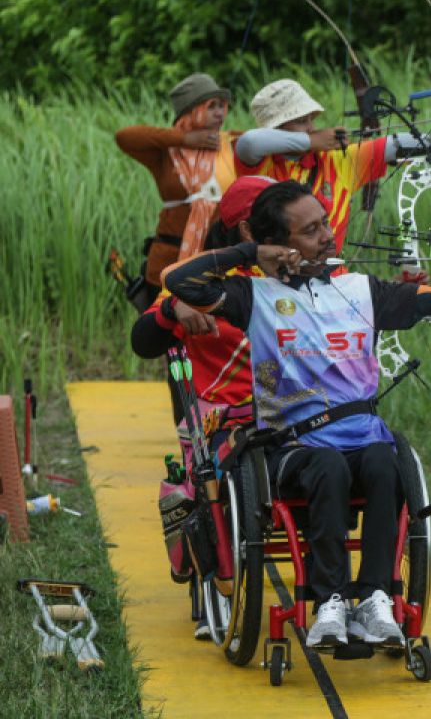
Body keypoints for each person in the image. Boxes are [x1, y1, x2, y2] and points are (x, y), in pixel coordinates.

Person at [163, 180, 431, 650]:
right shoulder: (254, 297)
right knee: (329, 466)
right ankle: (329, 600)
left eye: (324, 223)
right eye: (310, 231)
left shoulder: (360, 290)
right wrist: (251, 251)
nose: (327, 236)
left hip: (362, 437)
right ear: (281, 243)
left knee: (383, 460)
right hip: (293, 448)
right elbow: (180, 282)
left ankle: (375, 597)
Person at [130, 175, 273, 639]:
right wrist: (171, 310)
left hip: (290, 415)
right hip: (221, 421)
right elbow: (143, 339)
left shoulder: (304, 275)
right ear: (249, 231)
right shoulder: (199, 280)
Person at [235, 78, 431, 253]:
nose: (310, 127)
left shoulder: (337, 159)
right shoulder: (259, 164)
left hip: (328, 277)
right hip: (268, 277)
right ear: (275, 128)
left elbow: (392, 145)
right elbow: (249, 142)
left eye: (311, 120)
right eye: (300, 121)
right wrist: (311, 141)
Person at [116, 73, 243, 289]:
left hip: (220, 259)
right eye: (211, 106)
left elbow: (265, 142)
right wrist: (185, 139)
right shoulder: (167, 151)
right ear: (192, 111)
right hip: (171, 258)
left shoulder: (231, 142)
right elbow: (125, 136)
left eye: (222, 106)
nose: (220, 112)